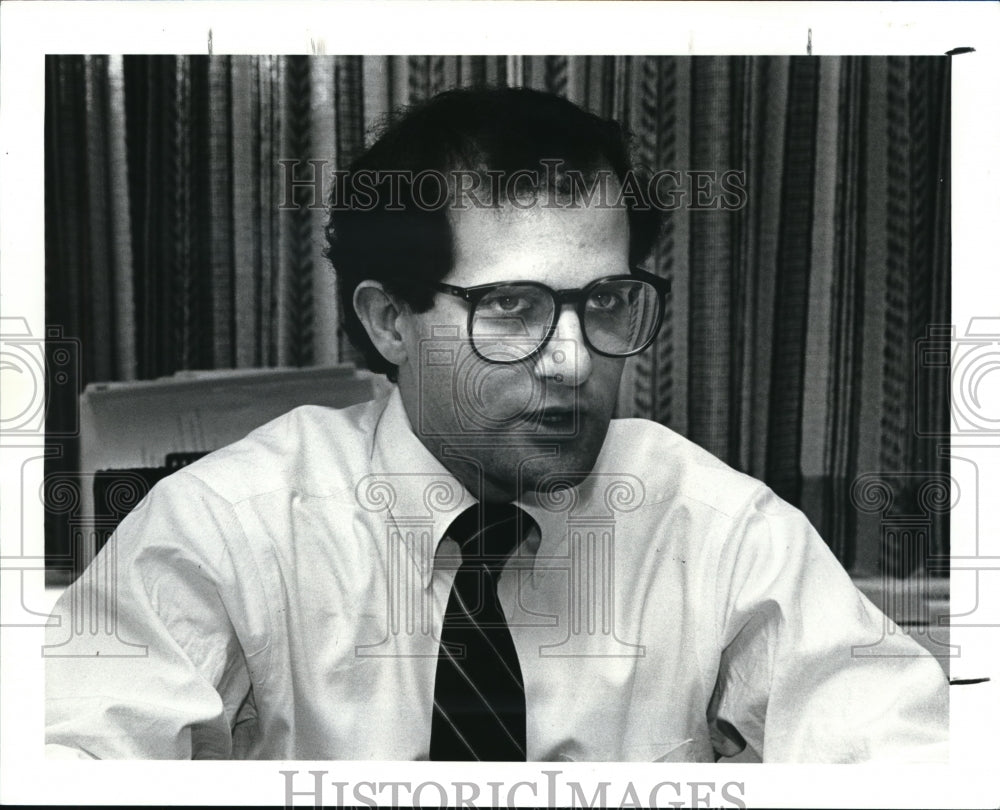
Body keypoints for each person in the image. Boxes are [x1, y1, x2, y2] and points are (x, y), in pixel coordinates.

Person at [46, 86, 947, 762]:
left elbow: (896, 749)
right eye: (511, 305)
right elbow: (74, 755)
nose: (575, 360)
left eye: (604, 299)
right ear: (389, 321)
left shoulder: (716, 528)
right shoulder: (225, 524)